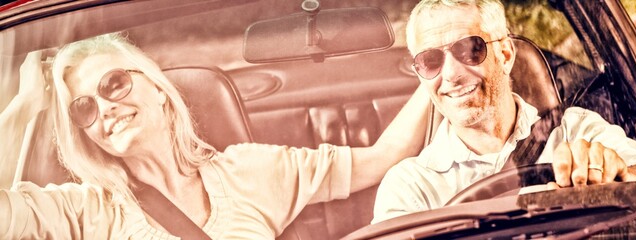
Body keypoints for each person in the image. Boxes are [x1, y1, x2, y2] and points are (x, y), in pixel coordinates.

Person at [0, 33, 431, 239]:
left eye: (114, 84)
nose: (105, 107)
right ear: (86, 133)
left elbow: (384, 156)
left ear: (157, 89)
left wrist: (441, 72)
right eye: (84, 107)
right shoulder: (84, 211)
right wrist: (22, 108)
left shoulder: (251, 170)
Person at [371, 0, 636, 224]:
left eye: (469, 49)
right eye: (430, 61)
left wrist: (624, 175)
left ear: (505, 54)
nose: (451, 74)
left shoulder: (575, 128)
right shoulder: (411, 186)